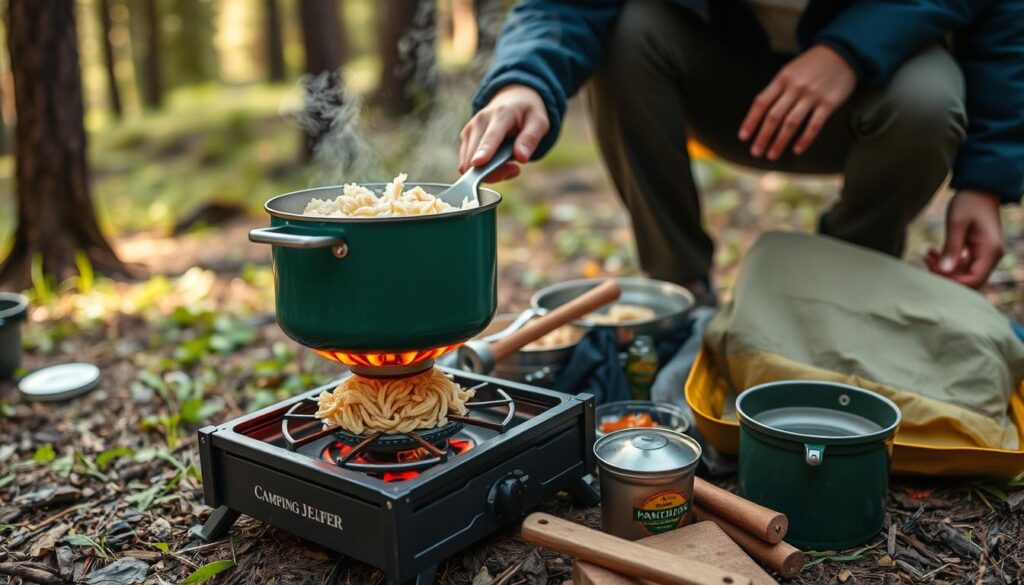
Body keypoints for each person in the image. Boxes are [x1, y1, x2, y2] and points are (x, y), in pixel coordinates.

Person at [459, 0, 1024, 300]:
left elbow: (995, 11)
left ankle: (846, 291)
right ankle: (677, 291)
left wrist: (984, 183)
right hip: (724, 87)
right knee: (631, 28)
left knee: (931, 97)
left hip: (877, 91)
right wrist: (524, 80)